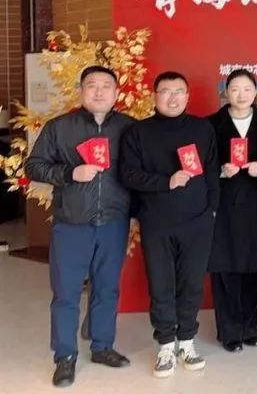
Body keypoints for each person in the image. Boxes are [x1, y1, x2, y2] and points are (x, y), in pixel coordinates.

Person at [25, 66, 134, 387]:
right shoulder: (60, 127)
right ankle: (65, 356)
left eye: (106, 86)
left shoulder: (130, 129)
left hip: (114, 221)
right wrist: (69, 173)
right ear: (81, 91)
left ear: (116, 93)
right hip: (71, 223)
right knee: (66, 292)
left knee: (107, 287)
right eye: (91, 85)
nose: (99, 91)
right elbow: (34, 166)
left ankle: (102, 346)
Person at [120, 71, 219, 377]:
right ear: (155, 96)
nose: (172, 97)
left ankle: (186, 341)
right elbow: (129, 175)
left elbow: (212, 172)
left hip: (197, 222)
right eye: (166, 91)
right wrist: (167, 181)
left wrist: (211, 210)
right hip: (157, 222)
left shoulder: (202, 129)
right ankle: (165, 345)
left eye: (179, 91)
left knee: (191, 283)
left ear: (187, 96)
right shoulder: (138, 132)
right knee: (161, 284)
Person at [206, 69, 257, 352]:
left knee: (253, 268)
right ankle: (229, 331)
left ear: (255, 92)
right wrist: (221, 170)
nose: (241, 94)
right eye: (235, 89)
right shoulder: (212, 123)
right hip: (224, 205)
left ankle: (249, 328)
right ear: (226, 92)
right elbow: (202, 163)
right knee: (225, 267)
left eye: (247, 89)